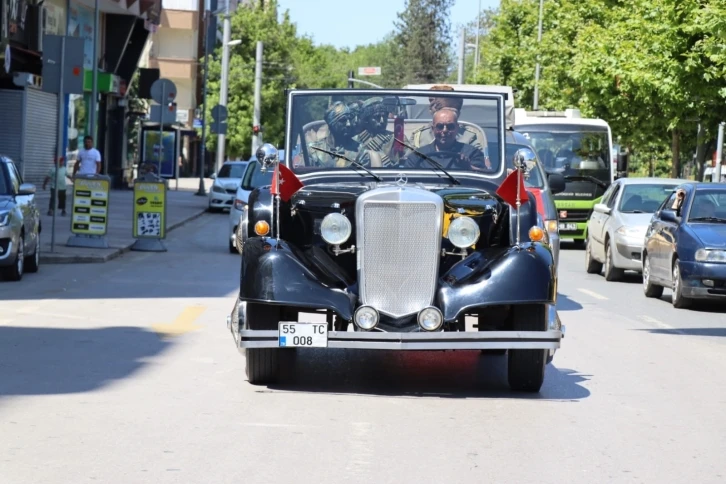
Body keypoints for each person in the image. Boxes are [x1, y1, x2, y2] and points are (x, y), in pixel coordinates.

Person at [403, 108, 490, 171]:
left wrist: (468, 167)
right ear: (433, 129)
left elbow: (484, 176)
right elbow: (407, 181)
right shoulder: (417, 156)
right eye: (440, 126)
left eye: (450, 126)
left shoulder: (472, 154)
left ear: (457, 128)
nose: (444, 130)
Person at [410, 85, 486, 152]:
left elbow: (481, 163)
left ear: (458, 114)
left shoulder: (470, 136)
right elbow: (408, 163)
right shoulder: (419, 136)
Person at [307, 102, 368, 168]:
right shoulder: (314, 151)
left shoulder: (359, 151)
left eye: (349, 119)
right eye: (343, 120)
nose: (348, 124)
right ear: (331, 124)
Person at [353, 97, 410, 167]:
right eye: (377, 117)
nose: (382, 121)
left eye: (384, 116)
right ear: (366, 120)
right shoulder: (356, 140)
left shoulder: (398, 138)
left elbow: (411, 158)